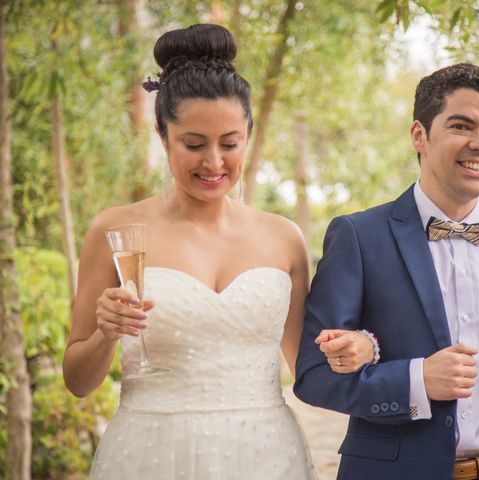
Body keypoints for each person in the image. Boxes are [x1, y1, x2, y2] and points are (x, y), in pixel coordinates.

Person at [62, 24, 374, 480]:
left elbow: (308, 368)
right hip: (149, 452)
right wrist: (107, 333)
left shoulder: (283, 238)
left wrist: (362, 347)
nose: (214, 162)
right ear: (161, 134)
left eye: (230, 143)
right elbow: (77, 380)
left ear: (248, 133)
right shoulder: (116, 229)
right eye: (193, 144)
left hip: (266, 453)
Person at [294, 63, 479, 480]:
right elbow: (314, 375)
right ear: (419, 135)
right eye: (462, 126)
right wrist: (416, 381)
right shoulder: (359, 237)